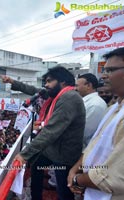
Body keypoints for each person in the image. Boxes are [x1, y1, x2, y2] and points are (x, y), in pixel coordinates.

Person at [4, 66, 86, 200]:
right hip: (53, 148)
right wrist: (13, 82)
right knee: (36, 162)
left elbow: (50, 131)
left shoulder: (69, 97)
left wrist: (24, 155)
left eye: (49, 81)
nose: (46, 85)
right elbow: (33, 90)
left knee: (64, 192)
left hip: (64, 154)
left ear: (63, 82)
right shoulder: (58, 94)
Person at [67, 47, 124, 200]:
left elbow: (111, 177)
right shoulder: (114, 109)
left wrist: (76, 179)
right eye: (105, 70)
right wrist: (76, 169)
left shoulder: (99, 105)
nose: (104, 76)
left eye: (111, 70)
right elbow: (94, 144)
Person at [75, 73, 107, 148]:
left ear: (88, 86)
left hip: (86, 148)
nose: (75, 89)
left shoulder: (95, 105)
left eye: (77, 86)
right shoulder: (87, 102)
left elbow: (84, 132)